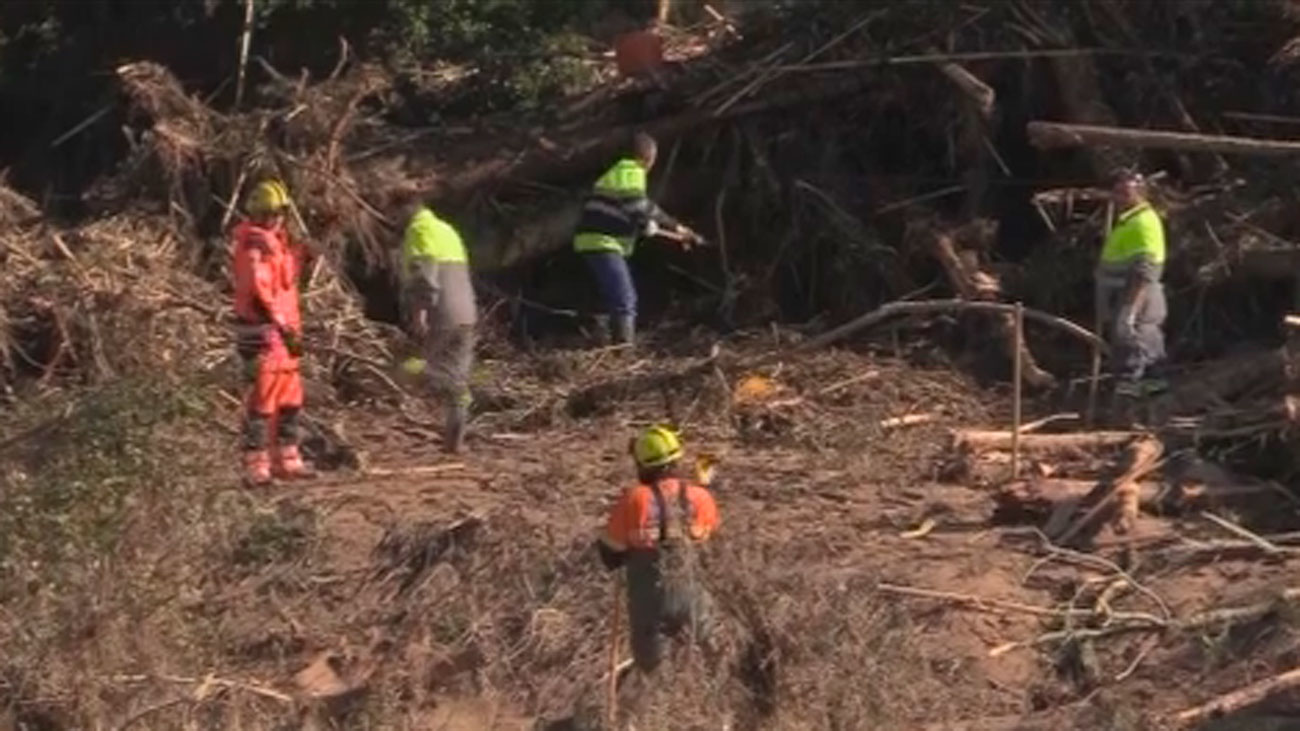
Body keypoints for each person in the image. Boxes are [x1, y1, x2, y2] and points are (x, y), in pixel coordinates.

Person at [596, 425, 720, 674]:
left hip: (650, 602)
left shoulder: (635, 499)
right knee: (706, 663)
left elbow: (609, 551)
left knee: (653, 671)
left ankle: (658, 697)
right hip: (695, 597)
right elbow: (714, 547)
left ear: (642, 464)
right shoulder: (702, 497)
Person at [573, 132, 702, 346]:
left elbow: (638, 208)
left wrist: (670, 227)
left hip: (597, 241)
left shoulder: (620, 174)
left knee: (610, 297)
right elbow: (637, 205)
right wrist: (651, 224)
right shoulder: (630, 171)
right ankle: (623, 349)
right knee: (625, 299)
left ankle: (600, 339)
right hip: (602, 242)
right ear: (648, 157)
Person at [231, 179, 313, 486]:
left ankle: (287, 459)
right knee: (261, 399)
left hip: (286, 331)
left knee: (290, 396)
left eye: (278, 213)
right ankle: (256, 465)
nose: (275, 218)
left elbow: (287, 284)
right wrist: (277, 323)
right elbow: (258, 289)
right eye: (270, 213)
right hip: (264, 330)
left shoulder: (279, 243)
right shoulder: (254, 245)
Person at [396, 188, 478, 453]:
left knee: (432, 373)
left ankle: (394, 375)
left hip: (442, 314)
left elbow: (424, 276)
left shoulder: (419, 229)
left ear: (406, 207)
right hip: (466, 312)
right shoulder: (447, 230)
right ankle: (455, 442)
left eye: (396, 212)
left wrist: (419, 312)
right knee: (458, 379)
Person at [1096, 169, 1168, 400]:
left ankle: (1135, 393)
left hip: (1136, 293)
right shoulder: (1128, 221)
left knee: (1131, 334)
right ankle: (1143, 388)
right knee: (1133, 335)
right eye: (1116, 192)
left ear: (1141, 193)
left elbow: (1144, 269)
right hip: (1124, 292)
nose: (1119, 198)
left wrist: (1131, 309)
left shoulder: (1143, 222)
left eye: (1126, 193)